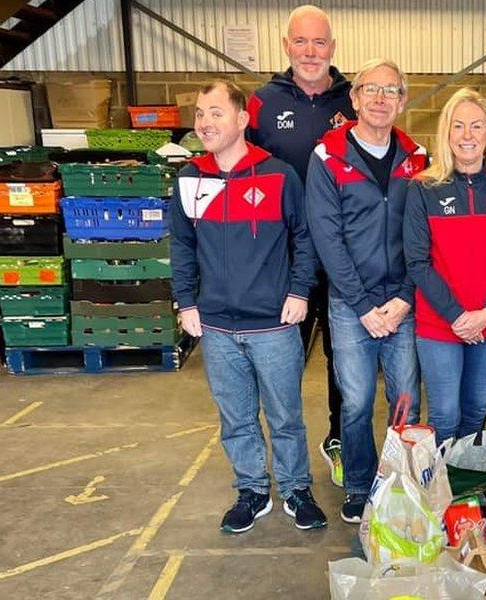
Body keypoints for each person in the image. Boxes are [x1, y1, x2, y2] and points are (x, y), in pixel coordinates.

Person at [170, 80, 325, 533]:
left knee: (285, 417)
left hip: (273, 326)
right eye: (200, 113)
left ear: (242, 121)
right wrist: (186, 301)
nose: (205, 122)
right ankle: (252, 490)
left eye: (216, 112)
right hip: (216, 328)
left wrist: (300, 292)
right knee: (236, 419)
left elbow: (304, 238)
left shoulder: (278, 175)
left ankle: (297, 489)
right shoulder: (190, 179)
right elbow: (181, 245)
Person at [306, 58, 427, 523]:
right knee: (355, 401)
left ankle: (403, 481)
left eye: (390, 90)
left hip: (402, 300)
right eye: (370, 89)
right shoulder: (327, 157)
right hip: (349, 305)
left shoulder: (419, 159)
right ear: (354, 99)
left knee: (406, 399)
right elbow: (327, 237)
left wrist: (402, 297)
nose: (380, 98)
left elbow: (424, 236)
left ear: (402, 100)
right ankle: (359, 485)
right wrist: (361, 304)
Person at [245, 4, 355, 489]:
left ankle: (339, 440)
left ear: (332, 47)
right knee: (280, 359)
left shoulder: (355, 99)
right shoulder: (261, 103)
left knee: (344, 357)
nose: (311, 52)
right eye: (301, 42)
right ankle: (286, 457)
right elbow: (234, 169)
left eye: (320, 42)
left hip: (343, 257)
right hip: (282, 259)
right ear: (286, 45)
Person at [404, 89, 486, 444]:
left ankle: (464, 489)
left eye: (477, 126)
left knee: (476, 409)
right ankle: (441, 493)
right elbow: (417, 261)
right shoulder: (423, 189)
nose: (467, 135)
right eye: (458, 126)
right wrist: (458, 317)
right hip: (440, 323)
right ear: (446, 133)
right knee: (445, 414)